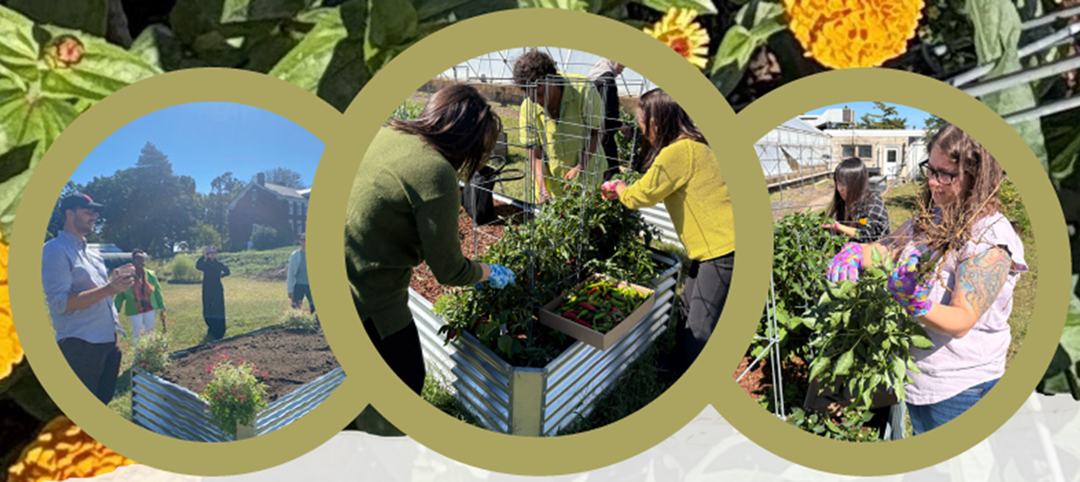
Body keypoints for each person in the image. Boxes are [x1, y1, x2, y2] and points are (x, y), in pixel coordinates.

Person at [826, 123, 1027, 435]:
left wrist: (915, 303)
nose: (934, 182)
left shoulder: (989, 238)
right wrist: (857, 252)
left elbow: (962, 320)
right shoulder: (933, 214)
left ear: (977, 177)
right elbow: (888, 247)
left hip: (961, 388)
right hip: (921, 377)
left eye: (946, 174)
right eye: (930, 170)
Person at [346, 84, 515, 404]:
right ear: (469, 141)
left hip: (343, 270)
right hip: (370, 295)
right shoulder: (436, 173)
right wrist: (488, 271)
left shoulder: (388, 133)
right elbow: (449, 270)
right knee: (408, 377)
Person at [600, 88, 735, 372]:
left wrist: (618, 187)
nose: (638, 122)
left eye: (641, 116)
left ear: (657, 121)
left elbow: (641, 197)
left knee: (700, 324)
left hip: (723, 249)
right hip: (712, 248)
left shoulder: (678, 152)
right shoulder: (694, 145)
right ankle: (677, 364)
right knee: (686, 307)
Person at [42, 193, 133, 404]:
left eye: (95, 212)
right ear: (69, 213)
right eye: (87, 211)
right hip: (81, 347)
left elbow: (101, 291)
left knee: (101, 403)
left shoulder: (93, 254)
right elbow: (60, 303)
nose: (94, 216)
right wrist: (110, 288)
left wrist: (114, 282)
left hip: (108, 343)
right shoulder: (54, 250)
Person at [514, 49, 605, 201]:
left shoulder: (583, 90)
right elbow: (534, 151)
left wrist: (580, 166)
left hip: (587, 174)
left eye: (539, 91)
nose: (535, 99)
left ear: (552, 79)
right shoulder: (528, 107)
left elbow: (596, 132)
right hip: (553, 185)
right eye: (529, 93)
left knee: (586, 218)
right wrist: (542, 188)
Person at [821, 157, 890, 243]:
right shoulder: (842, 202)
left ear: (857, 183)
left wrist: (837, 227)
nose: (839, 188)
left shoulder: (873, 201)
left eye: (843, 184)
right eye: (837, 183)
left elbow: (868, 235)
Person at [586, 57, 627, 182]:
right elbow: (608, 112)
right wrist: (620, 125)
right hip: (604, 134)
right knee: (609, 173)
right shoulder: (607, 80)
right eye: (623, 63)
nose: (623, 68)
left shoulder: (593, 77)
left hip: (591, 132)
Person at [113, 249, 165, 344]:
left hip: (150, 306)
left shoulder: (150, 274)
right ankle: (138, 353)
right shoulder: (127, 276)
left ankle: (150, 351)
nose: (140, 262)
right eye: (137, 259)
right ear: (133, 261)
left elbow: (157, 290)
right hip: (135, 308)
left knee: (150, 330)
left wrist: (161, 306)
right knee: (138, 331)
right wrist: (115, 309)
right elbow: (120, 294)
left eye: (142, 259)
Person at [196, 245, 230, 340]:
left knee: (218, 307)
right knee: (208, 307)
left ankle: (219, 328)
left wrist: (221, 276)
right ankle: (210, 326)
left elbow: (227, 271)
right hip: (207, 288)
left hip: (217, 288)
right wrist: (203, 255)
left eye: (214, 254)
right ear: (208, 255)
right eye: (210, 254)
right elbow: (198, 266)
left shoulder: (219, 264)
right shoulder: (205, 264)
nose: (212, 255)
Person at [288, 232, 314, 314]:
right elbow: (291, 274)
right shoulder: (295, 255)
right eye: (302, 240)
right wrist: (290, 290)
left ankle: (317, 325)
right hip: (299, 286)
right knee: (296, 308)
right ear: (300, 242)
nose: (304, 242)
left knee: (315, 308)